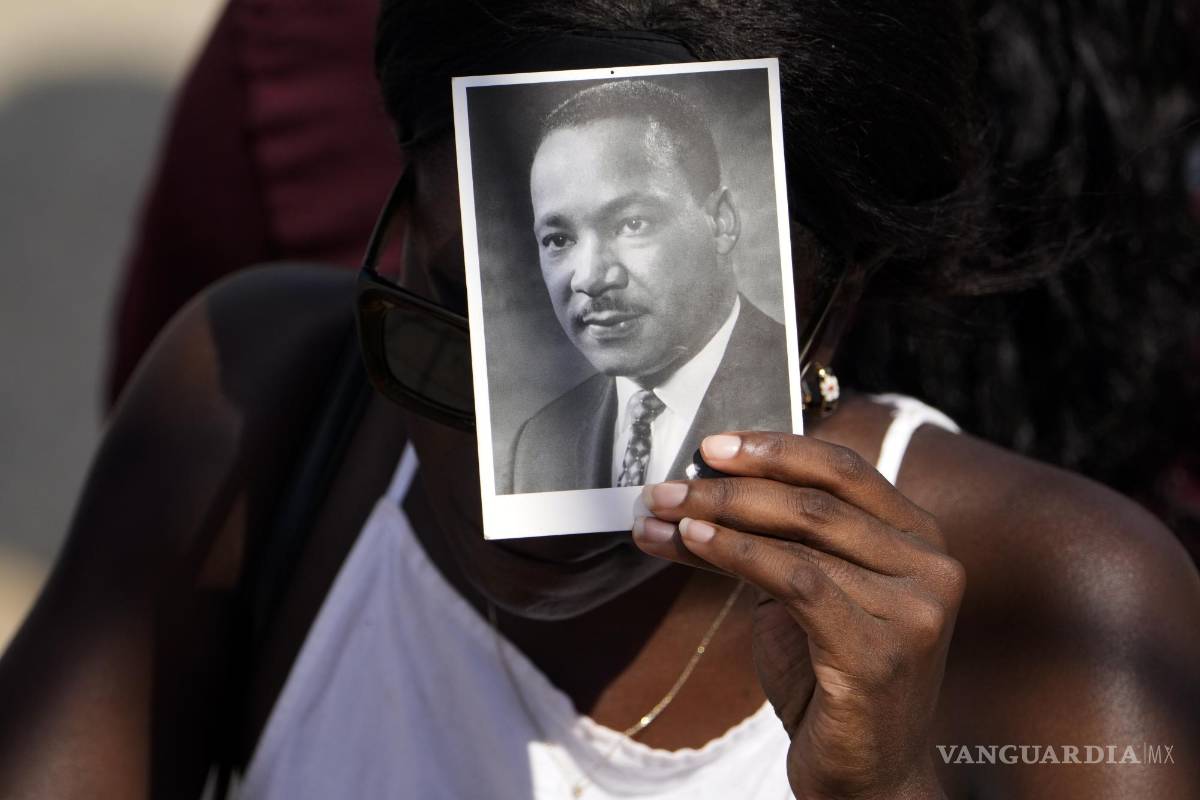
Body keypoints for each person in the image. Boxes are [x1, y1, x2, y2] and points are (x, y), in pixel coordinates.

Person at [1, 1, 1197, 799]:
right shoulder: (258, 402)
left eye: (635, 227)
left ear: (832, 298)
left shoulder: (1071, 612)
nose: (496, 485)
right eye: (448, 306)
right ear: (404, 222)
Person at [510, 79, 791, 493]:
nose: (588, 278)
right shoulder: (538, 444)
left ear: (721, 222)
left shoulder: (795, 394)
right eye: (559, 240)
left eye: (632, 224)